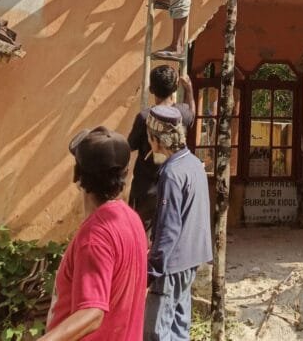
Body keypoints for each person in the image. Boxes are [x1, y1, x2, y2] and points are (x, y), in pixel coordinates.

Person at [40, 127, 147, 341]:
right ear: (125, 174)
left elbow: (92, 313)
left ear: (77, 176)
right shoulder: (131, 219)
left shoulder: (94, 237)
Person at [144, 105, 212, 341]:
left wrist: (151, 269)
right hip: (192, 259)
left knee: (157, 332)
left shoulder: (171, 173)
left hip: (171, 265)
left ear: (156, 139)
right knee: (179, 328)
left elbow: (168, 228)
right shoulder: (194, 163)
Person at [128, 65, 195, 235]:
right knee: (168, 234)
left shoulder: (145, 117)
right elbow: (192, 114)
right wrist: (189, 90)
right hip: (173, 187)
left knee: (139, 235)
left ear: (151, 89)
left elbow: (131, 145)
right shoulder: (182, 114)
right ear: (175, 88)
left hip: (146, 189)